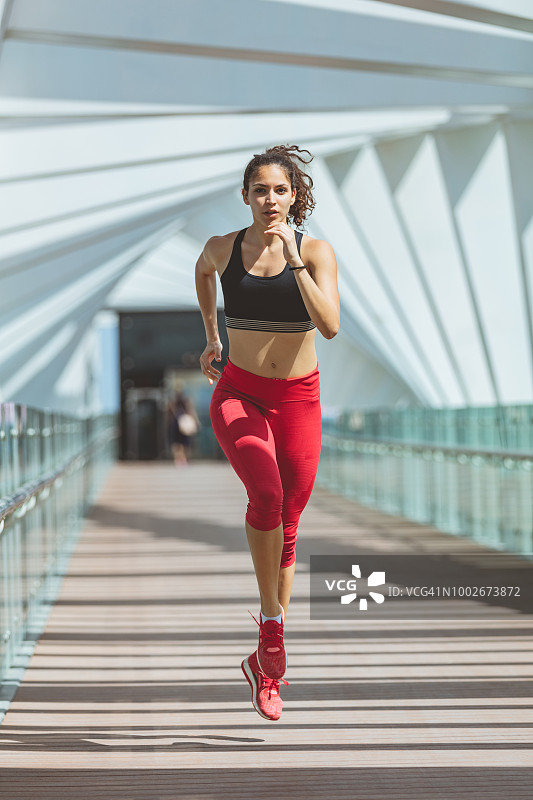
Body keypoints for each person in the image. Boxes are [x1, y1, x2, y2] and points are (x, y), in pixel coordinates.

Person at [195, 144, 340, 721]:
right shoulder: (223, 249)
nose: (269, 200)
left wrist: (295, 262)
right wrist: (212, 335)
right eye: (260, 190)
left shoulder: (317, 252)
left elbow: (329, 326)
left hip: (300, 399)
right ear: (247, 196)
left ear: (294, 196)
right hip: (238, 393)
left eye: (280, 190)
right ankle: (273, 627)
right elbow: (204, 273)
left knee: (291, 518)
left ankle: (263, 661)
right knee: (268, 496)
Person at [167, 389, 200, 466]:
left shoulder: (174, 403)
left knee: (179, 443)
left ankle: (180, 459)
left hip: (180, 424)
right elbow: (191, 411)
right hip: (182, 425)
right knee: (183, 443)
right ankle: (182, 459)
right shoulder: (184, 402)